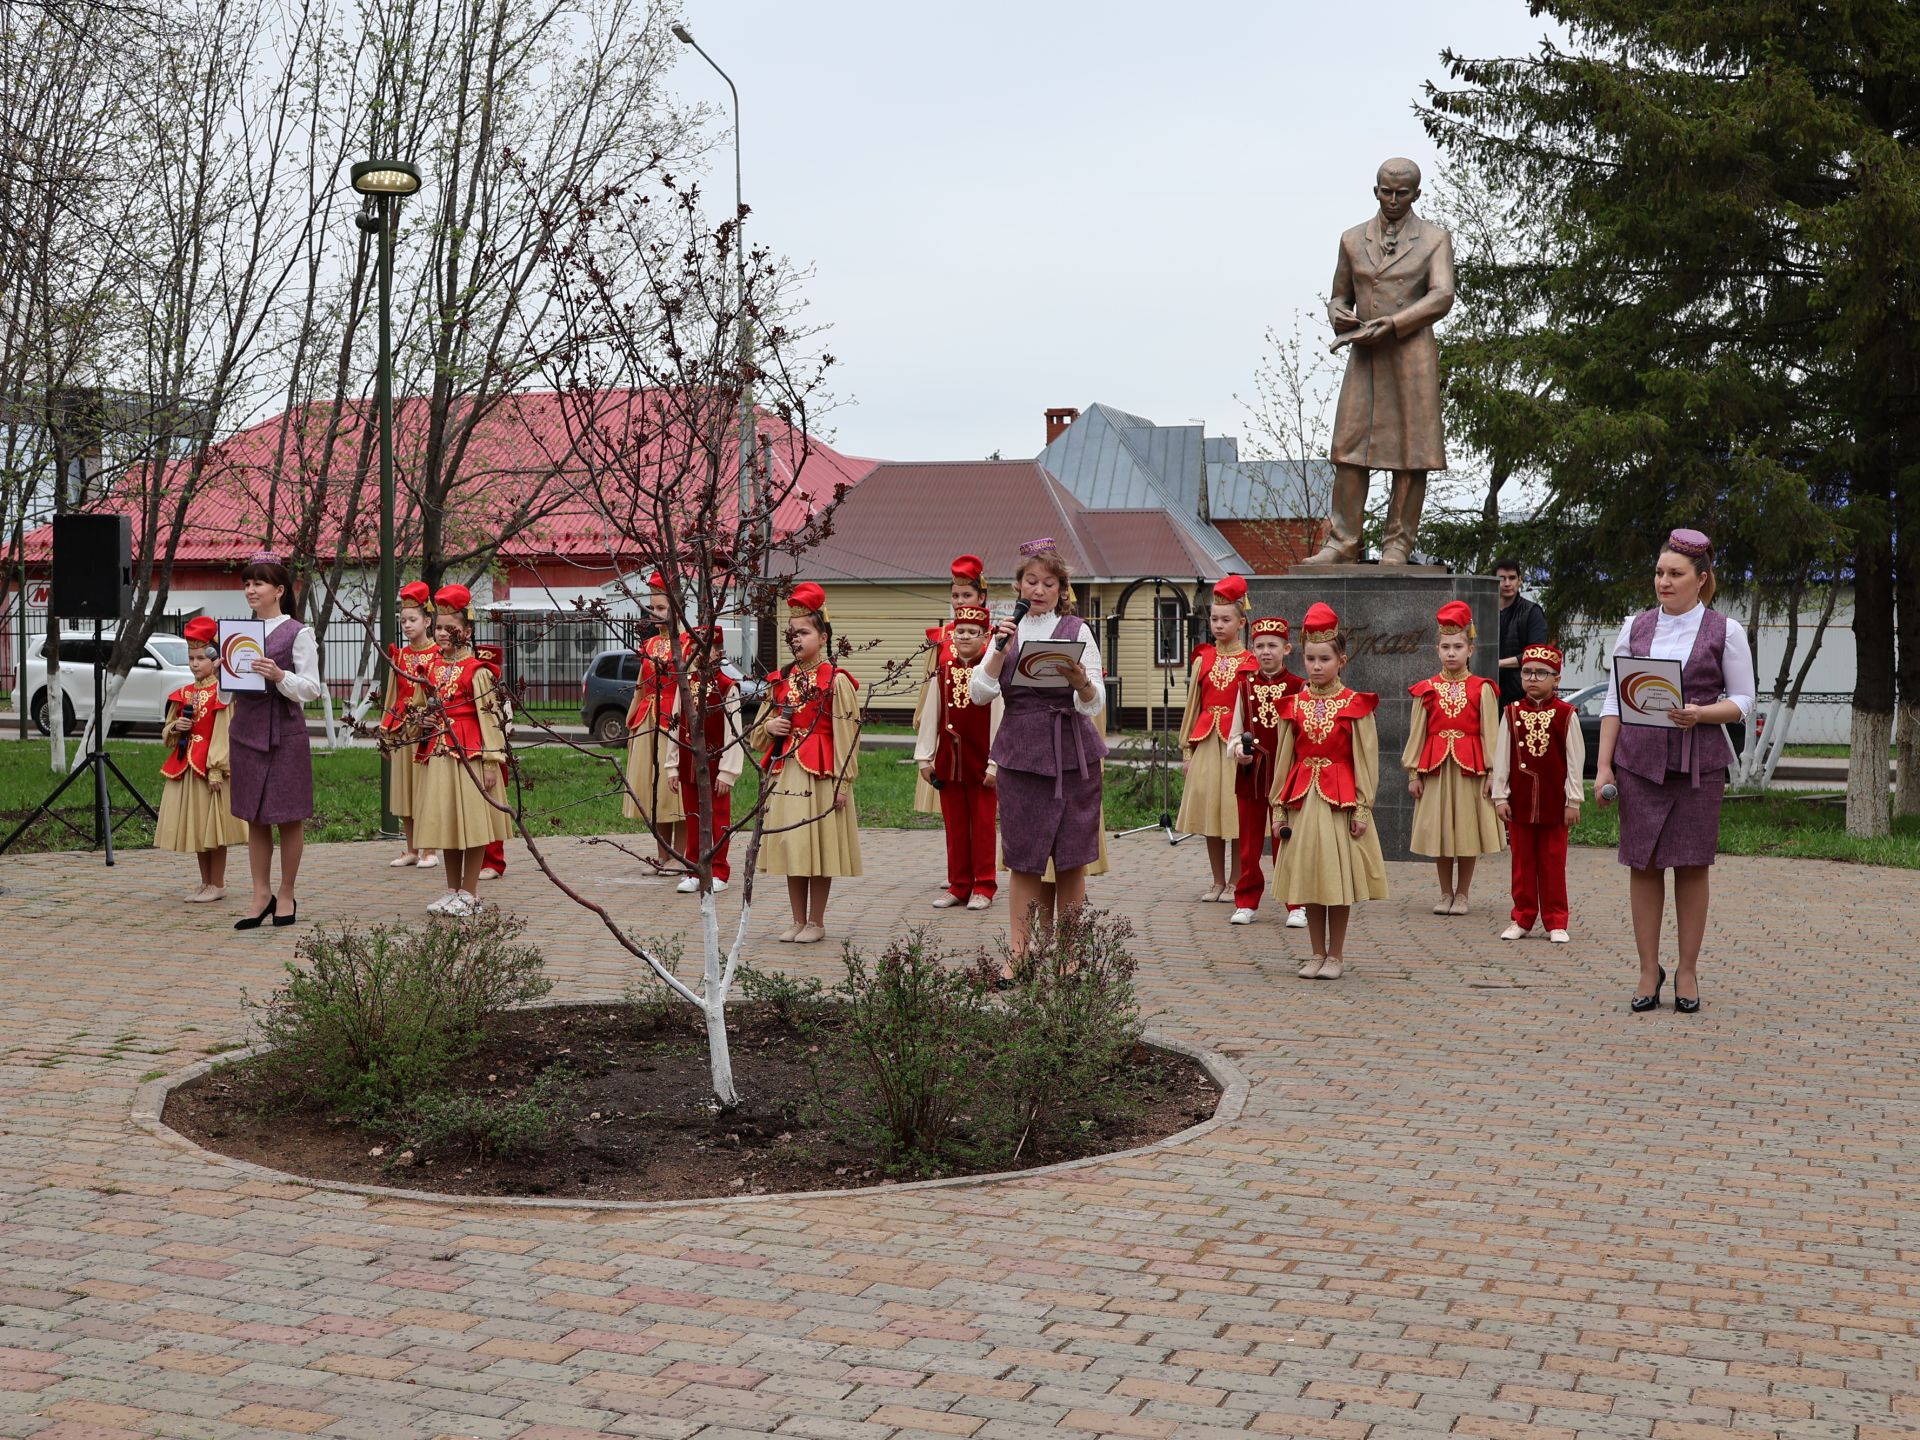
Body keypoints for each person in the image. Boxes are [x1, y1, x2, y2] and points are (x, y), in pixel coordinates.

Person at [1596, 528, 1755, 1014]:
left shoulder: (1725, 630)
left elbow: (1745, 701)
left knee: (1691, 865)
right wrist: (1603, 765)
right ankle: (1649, 969)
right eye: (1660, 573)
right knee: (1642, 864)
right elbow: (1612, 700)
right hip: (1638, 762)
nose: (1664, 582)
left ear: (1701, 579)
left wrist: (1702, 713)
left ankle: (1686, 970)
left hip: (1699, 764)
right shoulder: (1634, 627)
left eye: (1675, 574)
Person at [974, 537, 1108, 974]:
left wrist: (1081, 680)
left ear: (1061, 589)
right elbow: (978, 694)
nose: (1039, 589)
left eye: (1048, 583)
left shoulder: (1078, 631)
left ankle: (1068, 956)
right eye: (1031, 581)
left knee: (1071, 857)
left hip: (1072, 753)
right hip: (1021, 755)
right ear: (1017, 586)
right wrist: (997, 649)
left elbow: (1094, 705)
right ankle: (1018, 953)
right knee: (1024, 858)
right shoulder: (1003, 633)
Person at [1268, 603, 1389, 979]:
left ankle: (1335, 955)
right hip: (1303, 801)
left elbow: (1366, 760)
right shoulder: (1295, 705)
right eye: (1310, 658)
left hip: (1340, 801)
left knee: (1335, 879)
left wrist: (1362, 808)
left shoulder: (1355, 706)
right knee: (1310, 877)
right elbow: (1284, 760)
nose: (1316, 666)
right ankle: (1315, 953)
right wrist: (1278, 808)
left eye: (1325, 658)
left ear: (1342, 660)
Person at [753, 583, 862, 943]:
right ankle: (797, 918)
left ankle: (816, 921)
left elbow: (848, 737)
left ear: (823, 635)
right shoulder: (781, 680)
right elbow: (757, 734)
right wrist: (770, 725)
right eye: (792, 634)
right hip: (786, 771)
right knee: (793, 845)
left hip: (822, 775)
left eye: (804, 632)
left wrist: (844, 783)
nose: (796, 640)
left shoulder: (835, 681)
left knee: (819, 844)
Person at [227, 553, 321, 930]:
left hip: (284, 734)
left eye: (258, 583)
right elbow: (225, 696)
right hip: (246, 734)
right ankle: (259, 893)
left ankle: (286, 892)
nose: (251, 590)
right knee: (255, 816)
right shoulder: (236, 633)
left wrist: (280, 675)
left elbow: (312, 689)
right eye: (247, 584)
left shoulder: (298, 632)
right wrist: (224, 673)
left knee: (289, 817)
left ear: (279, 590)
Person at [412, 585, 511, 918]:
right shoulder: (432, 668)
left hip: (470, 752)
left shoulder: (477, 671)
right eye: (438, 627)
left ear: (467, 631)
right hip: (439, 752)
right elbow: (417, 708)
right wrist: (421, 720)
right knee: (447, 823)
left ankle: (471, 892)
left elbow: (490, 719)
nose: (441, 633)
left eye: (449, 627)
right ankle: (452, 889)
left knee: (472, 823)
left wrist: (492, 761)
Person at [1403, 600, 1504, 914]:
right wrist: (1413, 774)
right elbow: (1417, 733)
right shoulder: (1427, 690)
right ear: (1437, 649)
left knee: (1466, 831)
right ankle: (1445, 892)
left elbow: (1491, 733)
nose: (1451, 653)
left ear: (1470, 650)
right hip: (1435, 769)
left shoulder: (1482, 689)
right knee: (1441, 831)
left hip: (1470, 770)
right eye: (1445, 646)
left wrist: (1492, 773)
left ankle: (1462, 894)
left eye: (1458, 646)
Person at [1491, 642, 1584, 943]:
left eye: (1541, 673)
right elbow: (1502, 758)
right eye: (1527, 672)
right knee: (1522, 863)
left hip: (1554, 804)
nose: (1532, 678)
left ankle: (1556, 920)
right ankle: (1523, 917)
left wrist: (1573, 800)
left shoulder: (1566, 715)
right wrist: (1500, 796)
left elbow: (1574, 761)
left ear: (1556, 679)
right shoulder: (1511, 712)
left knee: (1553, 862)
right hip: (1519, 802)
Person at [914, 602, 1003, 910]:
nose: (965, 636)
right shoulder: (945, 663)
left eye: (973, 632)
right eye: (960, 631)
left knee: (982, 824)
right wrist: (925, 756)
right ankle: (959, 884)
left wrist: (996, 762)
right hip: (950, 758)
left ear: (985, 635)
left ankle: (984, 885)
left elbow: (1000, 716)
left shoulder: (993, 667)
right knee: (954, 825)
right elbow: (932, 709)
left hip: (982, 759)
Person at [1178, 575, 1259, 903]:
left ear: (1241, 622)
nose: (1218, 625)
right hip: (1207, 743)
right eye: (1214, 619)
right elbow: (1192, 707)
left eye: (1226, 619)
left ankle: (1237, 881)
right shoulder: (1203, 660)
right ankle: (1216, 880)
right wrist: (1186, 749)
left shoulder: (1250, 662)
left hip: (1235, 747)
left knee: (1235, 815)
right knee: (1212, 814)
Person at [156, 616, 247, 902]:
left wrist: (217, 768)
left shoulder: (220, 693)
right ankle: (205, 882)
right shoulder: (183, 693)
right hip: (186, 766)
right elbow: (167, 734)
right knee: (198, 827)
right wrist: (175, 728)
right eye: (191, 658)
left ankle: (217, 883)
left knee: (214, 827)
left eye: (200, 658)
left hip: (209, 769)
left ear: (214, 660)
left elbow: (223, 731)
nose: (195, 664)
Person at [1227, 614, 1307, 927]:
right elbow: (1234, 731)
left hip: (1286, 774)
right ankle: (1246, 899)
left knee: (1286, 839)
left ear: (1287, 648)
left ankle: (1296, 902)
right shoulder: (1244, 684)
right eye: (1259, 645)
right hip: (1252, 773)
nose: (1265, 652)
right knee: (1248, 842)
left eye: (1272, 645)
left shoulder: (1299, 686)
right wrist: (1237, 751)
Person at [668, 627, 744, 895]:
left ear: (719, 652)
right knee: (693, 817)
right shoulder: (685, 683)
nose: (699, 652)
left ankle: (719, 869)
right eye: (695, 647)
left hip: (716, 765)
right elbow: (675, 725)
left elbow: (733, 731)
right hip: (689, 763)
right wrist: (672, 765)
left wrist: (728, 771)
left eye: (706, 647)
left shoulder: (726, 687)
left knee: (717, 818)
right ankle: (694, 869)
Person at [624, 570, 687, 870]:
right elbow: (640, 686)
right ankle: (663, 855)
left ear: (677, 608)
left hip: (673, 725)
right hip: (647, 722)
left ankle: (681, 854)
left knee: (674, 796)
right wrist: (631, 721)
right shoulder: (648, 646)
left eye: (661, 608)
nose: (655, 614)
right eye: (652, 608)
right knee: (654, 792)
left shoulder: (688, 644)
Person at [381, 581, 441, 870]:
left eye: (412, 619)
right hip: (404, 728)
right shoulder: (400, 656)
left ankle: (430, 849)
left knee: (424, 789)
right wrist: (386, 730)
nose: (406, 625)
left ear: (428, 621)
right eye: (403, 620)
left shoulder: (438, 654)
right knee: (404, 789)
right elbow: (392, 694)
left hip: (427, 729)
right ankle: (412, 848)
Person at [1495, 559, 1548, 709]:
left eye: (1512, 578)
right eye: (1501, 578)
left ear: (1520, 580)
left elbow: (1535, 654)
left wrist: (1498, 663)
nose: (1507, 583)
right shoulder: (1485, 611)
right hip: (1489, 692)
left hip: (1521, 695)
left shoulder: (1532, 612)